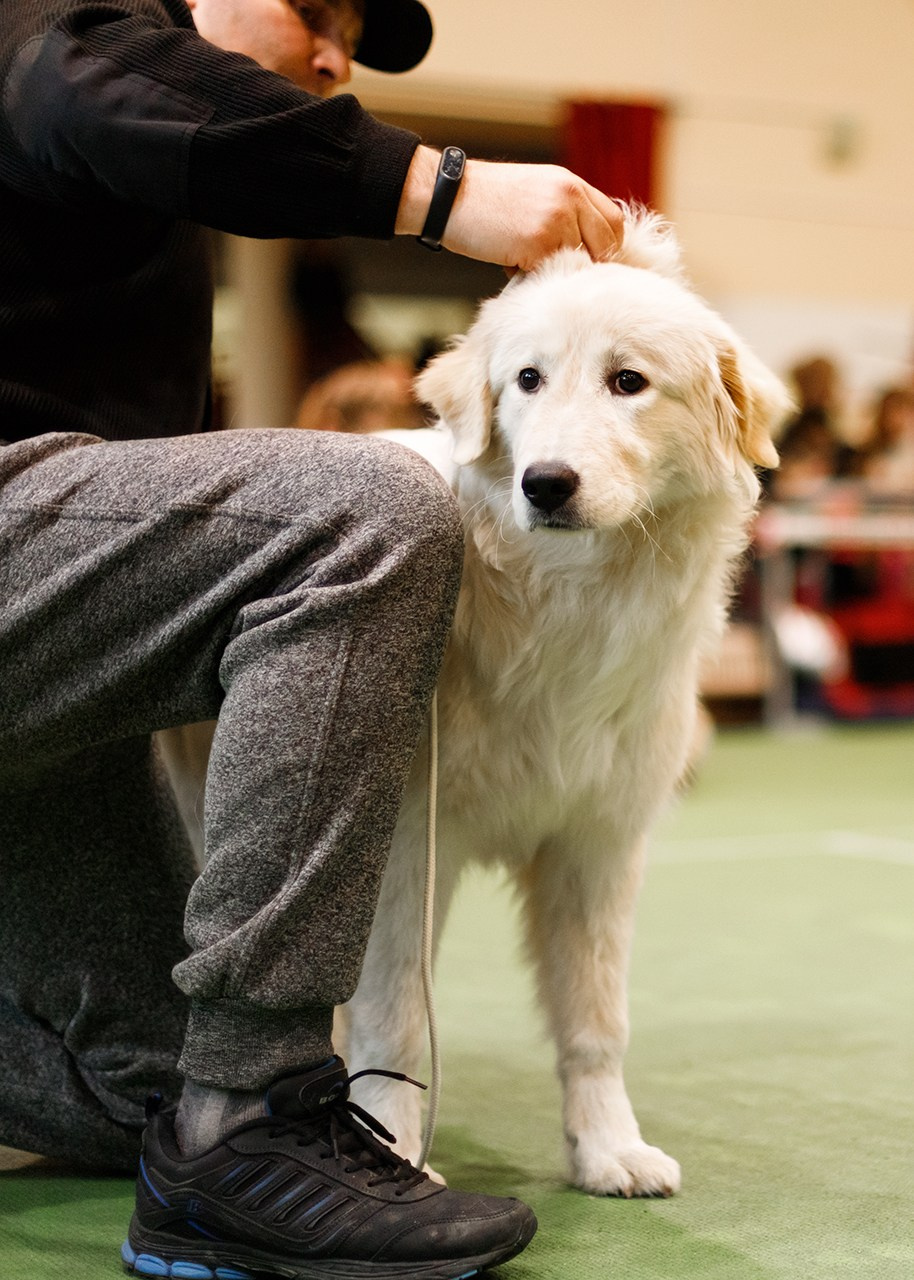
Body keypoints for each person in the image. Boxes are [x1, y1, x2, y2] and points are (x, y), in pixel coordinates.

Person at [0, 0, 624, 1276]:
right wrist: (436, 188)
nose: (335, 57)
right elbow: (90, 83)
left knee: (139, 1088)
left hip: (43, 626)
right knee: (373, 505)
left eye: (353, 37)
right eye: (315, 10)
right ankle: (249, 1122)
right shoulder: (50, 25)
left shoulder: (132, 198)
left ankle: (201, 1107)